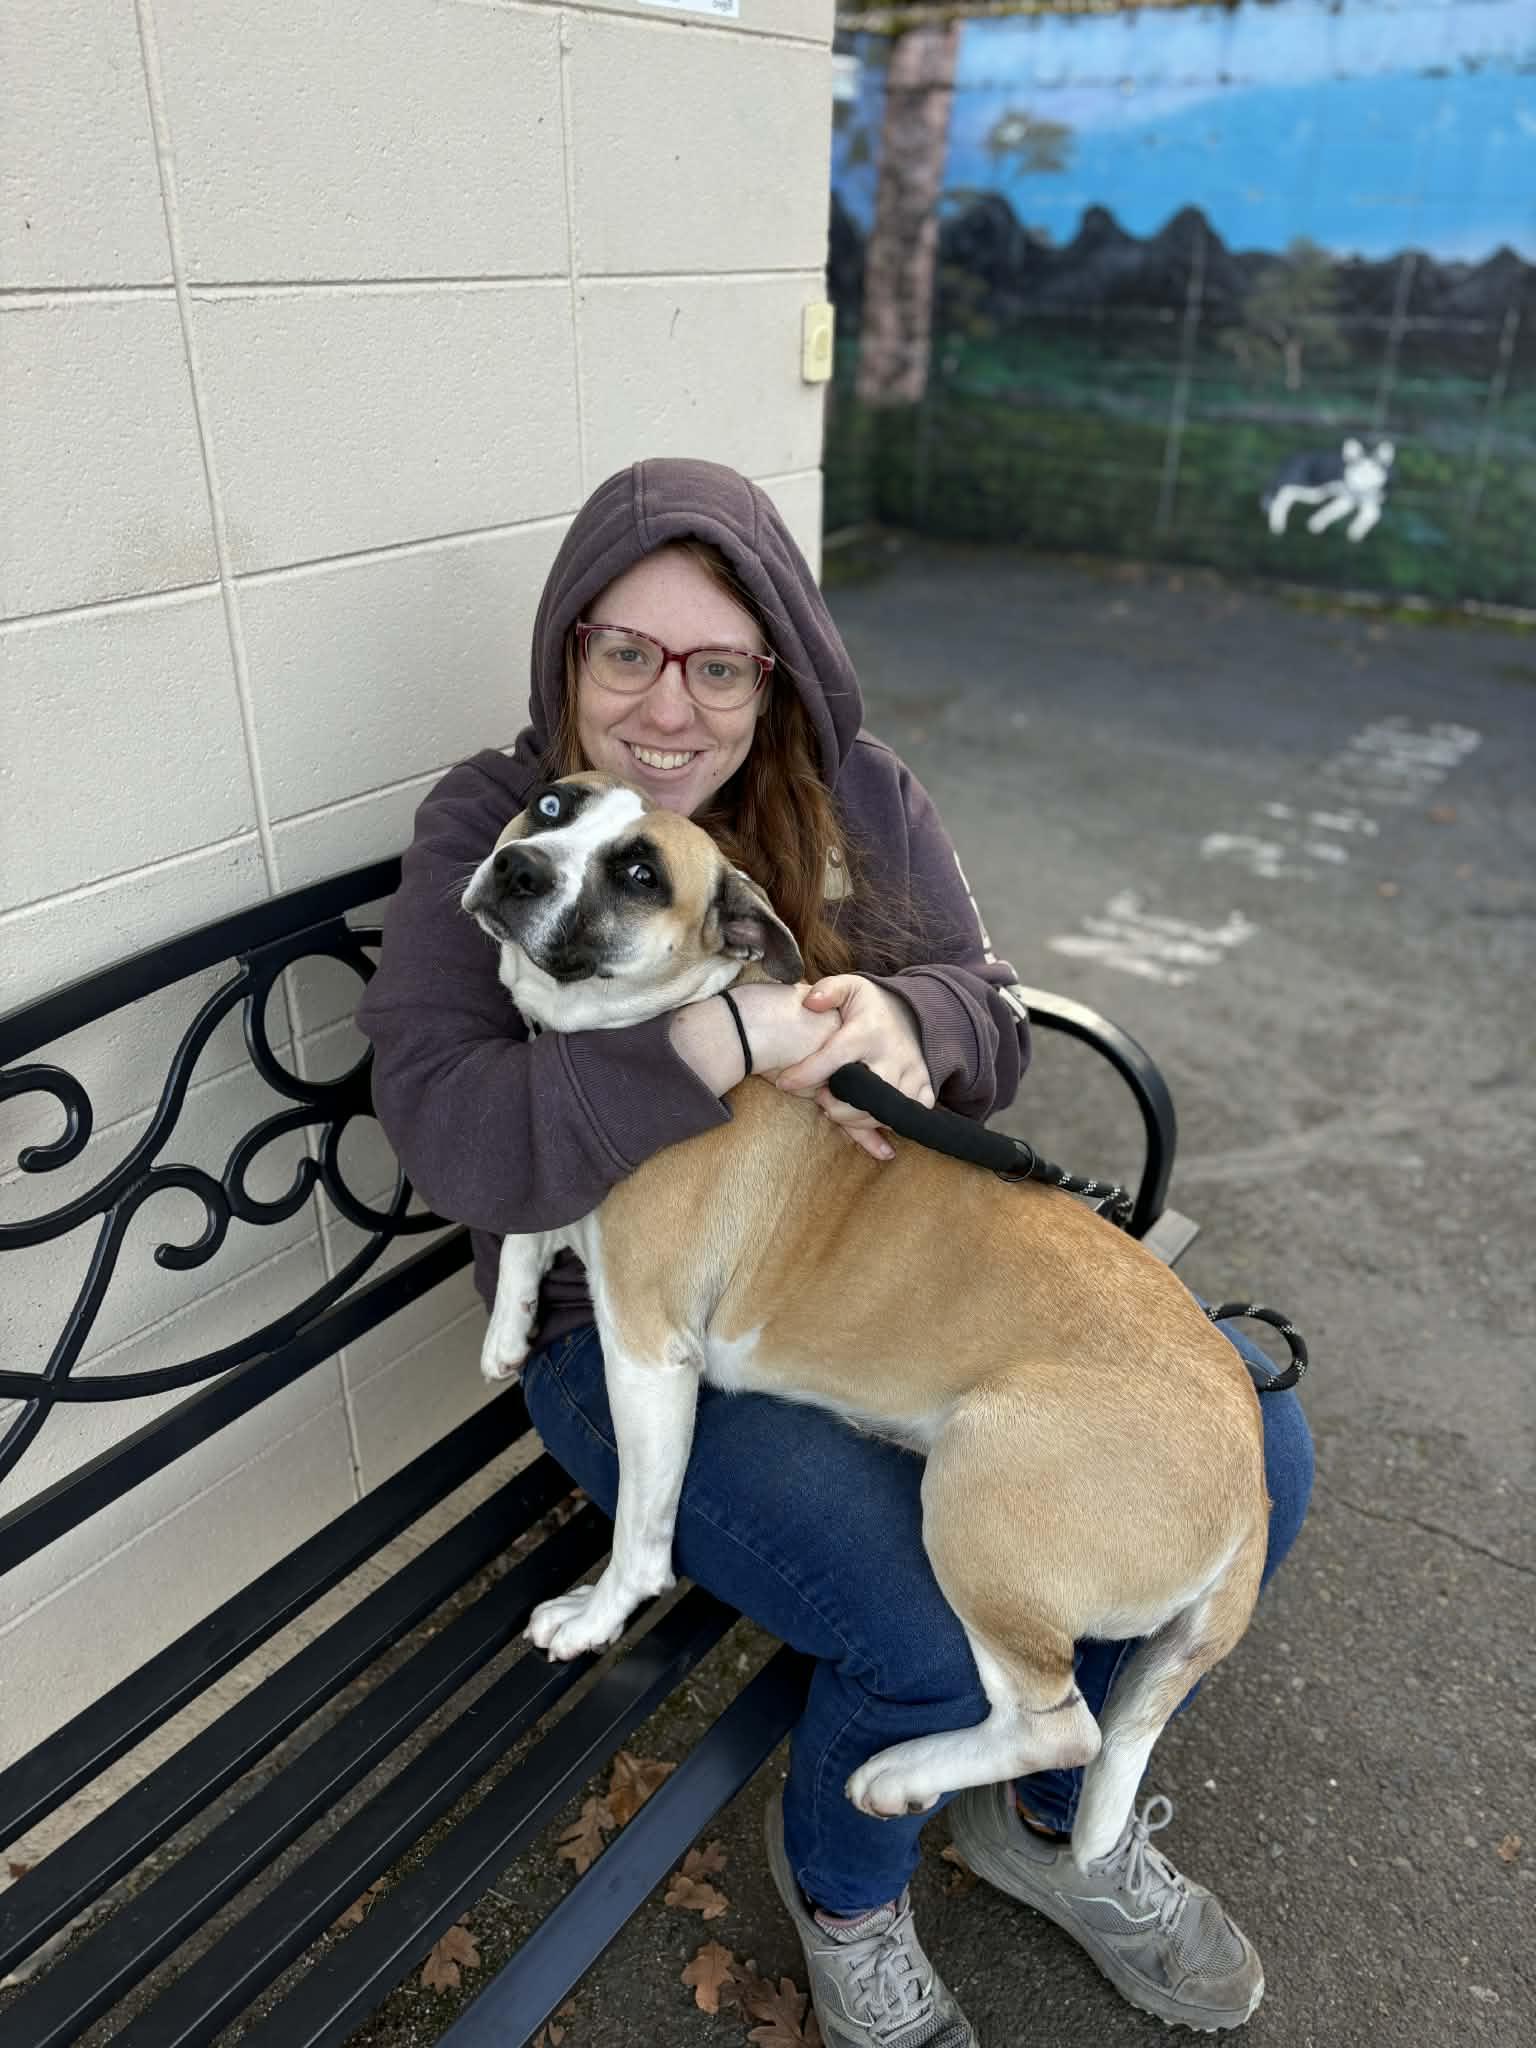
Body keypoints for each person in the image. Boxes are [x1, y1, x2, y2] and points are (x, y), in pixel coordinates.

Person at [358, 457, 1313, 2047]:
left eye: (719, 664)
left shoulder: (854, 794)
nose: (671, 708)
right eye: (626, 654)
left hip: (874, 1282)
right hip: (633, 1332)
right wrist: (711, 1039)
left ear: (777, 668)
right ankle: (854, 1897)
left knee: (1263, 1446)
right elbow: (451, 1129)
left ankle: (1046, 1817)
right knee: (923, 1620)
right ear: (566, 654)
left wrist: (909, 1016)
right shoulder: (504, 819)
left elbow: (990, 1019)